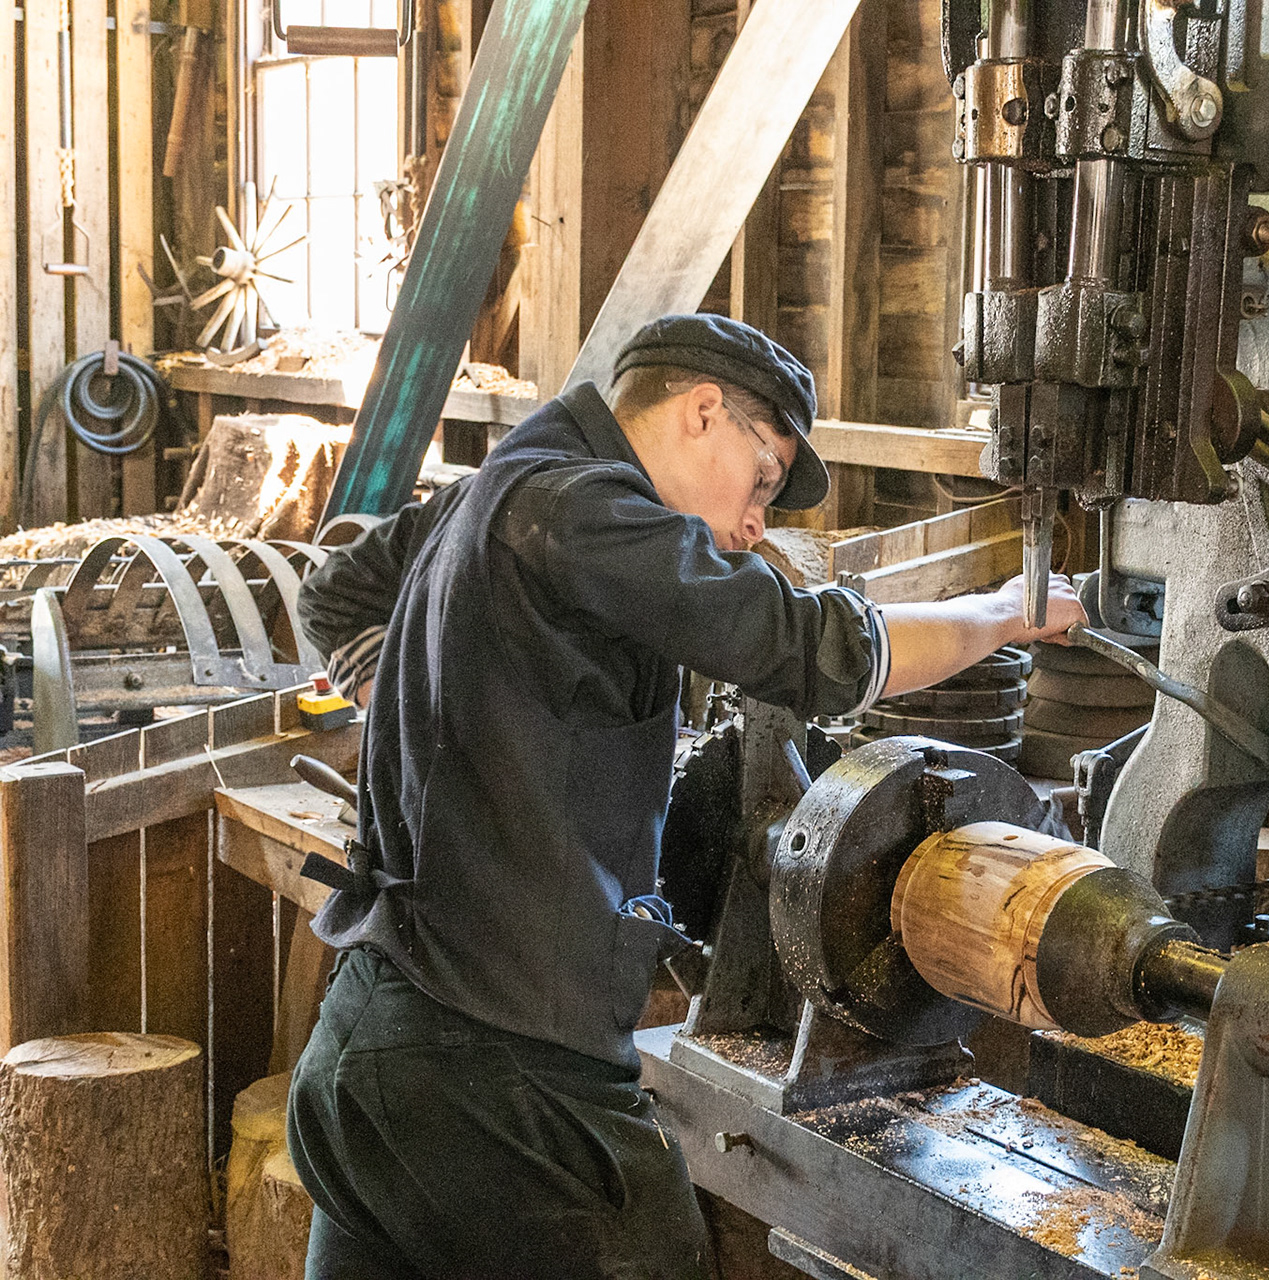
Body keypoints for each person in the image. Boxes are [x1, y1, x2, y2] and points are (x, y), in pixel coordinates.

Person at [286, 313, 1085, 1280]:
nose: (756, 524)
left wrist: (431, 713)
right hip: (506, 1081)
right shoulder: (584, 512)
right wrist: (997, 615)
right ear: (704, 412)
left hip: (364, 1048)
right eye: (763, 482)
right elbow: (811, 649)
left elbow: (337, 591)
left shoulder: (507, 480)